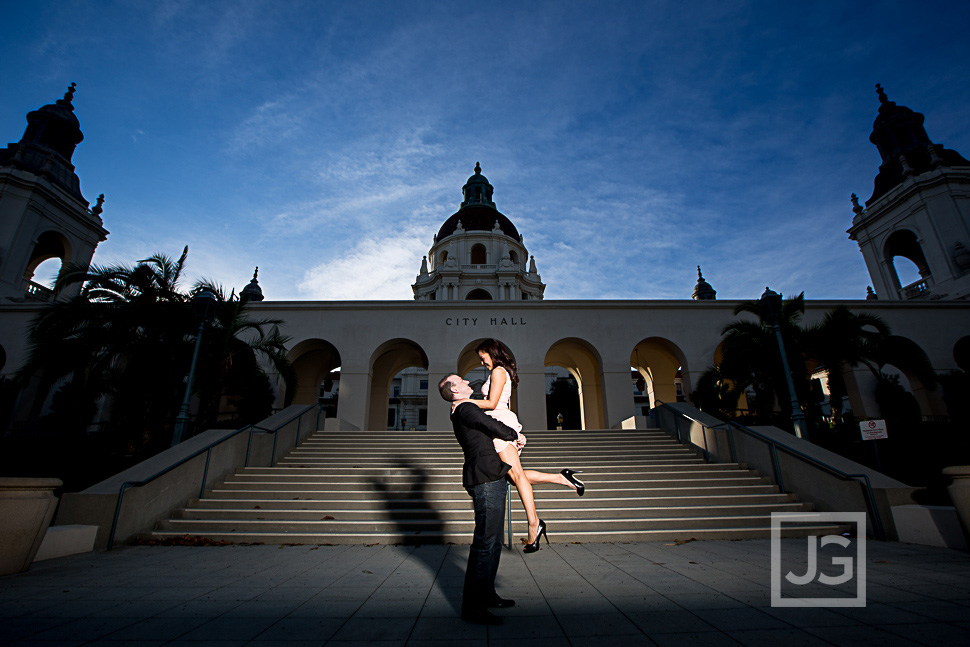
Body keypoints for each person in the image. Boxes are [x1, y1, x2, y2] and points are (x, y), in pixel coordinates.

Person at [471, 338, 586, 552]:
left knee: (516, 476)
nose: (481, 362)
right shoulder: (499, 371)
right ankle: (561, 477)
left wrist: (463, 402)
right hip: (499, 422)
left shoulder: (497, 372)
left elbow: (492, 403)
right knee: (515, 476)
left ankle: (534, 523)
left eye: (482, 357)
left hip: (499, 422)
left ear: (491, 352)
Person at [438, 373, 520, 625]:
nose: (466, 382)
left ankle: (487, 595)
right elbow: (497, 428)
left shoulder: (461, 408)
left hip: (491, 475)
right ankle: (473, 607)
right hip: (484, 479)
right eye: (460, 381)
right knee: (485, 544)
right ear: (454, 390)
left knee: (493, 543)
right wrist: (512, 434)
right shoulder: (465, 408)